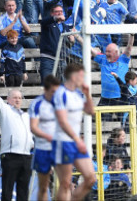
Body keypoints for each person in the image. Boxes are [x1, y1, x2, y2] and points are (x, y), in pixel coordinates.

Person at [53, 63, 97, 200]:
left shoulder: (77, 95)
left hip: (75, 142)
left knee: (91, 178)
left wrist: (87, 94)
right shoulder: (60, 93)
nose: (83, 79)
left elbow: (90, 111)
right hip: (62, 142)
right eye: (81, 76)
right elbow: (62, 121)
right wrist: (78, 140)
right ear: (74, 76)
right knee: (65, 183)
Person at [29, 75, 60, 201]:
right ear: (45, 90)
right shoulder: (37, 104)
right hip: (43, 149)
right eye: (53, 91)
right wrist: (49, 137)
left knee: (66, 183)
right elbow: (33, 127)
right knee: (43, 186)